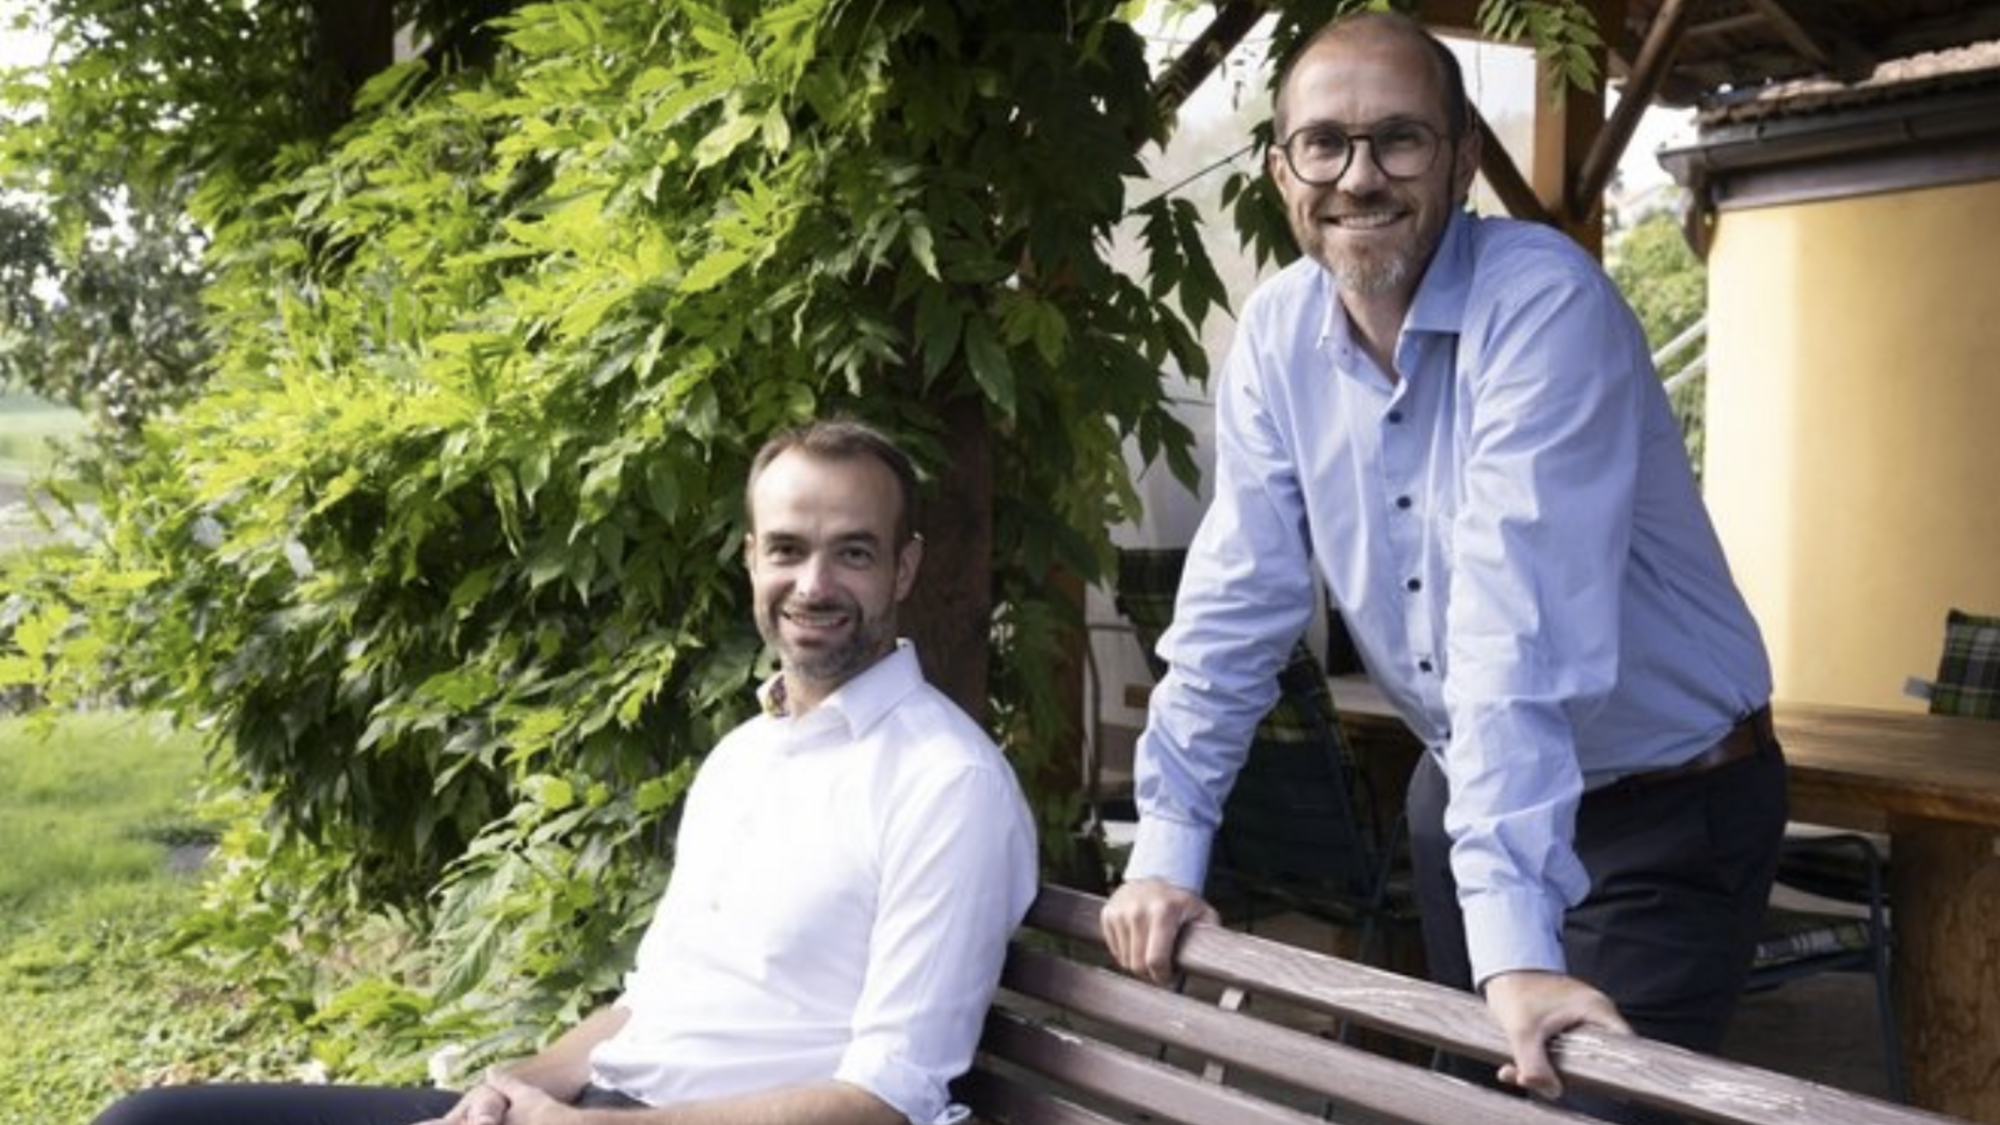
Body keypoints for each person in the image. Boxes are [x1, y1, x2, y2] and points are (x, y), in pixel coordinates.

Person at [1099, 12, 1785, 1119]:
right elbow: (1236, 606)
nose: (1357, 176)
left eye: (1398, 141)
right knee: (1464, 1106)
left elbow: (1513, 626)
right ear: (1281, 172)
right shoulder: (1276, 335)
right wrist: (1166, 853)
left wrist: (1511, 948)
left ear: (1463, 158)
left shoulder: (1542, 304)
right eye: (1323, 144)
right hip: (1465, 792)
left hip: (1667, 806)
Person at [97, 419, 1039, 1125]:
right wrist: (519, 1084)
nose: (814, 584)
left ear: (906, 568)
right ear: (752, 559)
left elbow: (887, 1098)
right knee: (155, 1123)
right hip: (605, 1106)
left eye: (855, 552)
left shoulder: (946, 785)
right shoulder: (747, 754)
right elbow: (649, 999)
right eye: (787, 549)